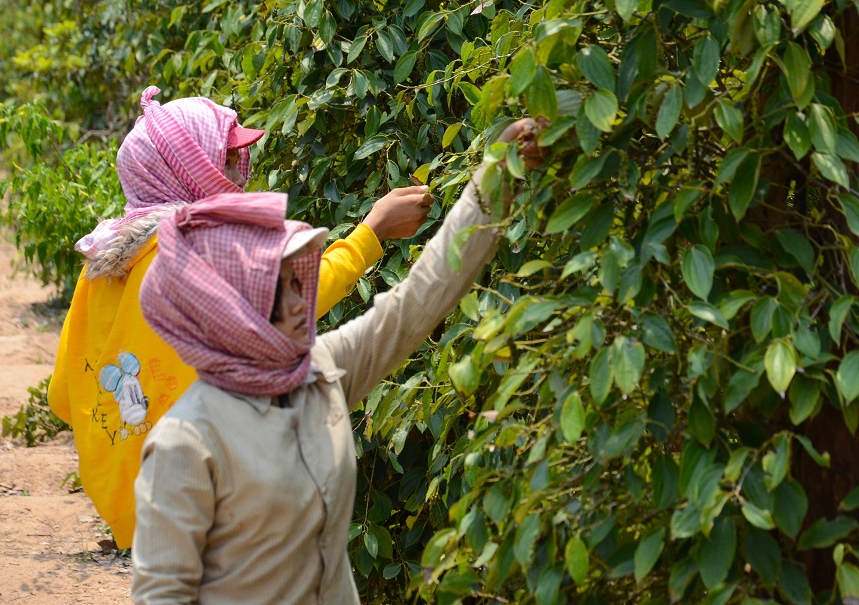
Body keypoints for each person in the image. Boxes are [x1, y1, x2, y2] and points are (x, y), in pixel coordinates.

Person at [130, 118, 538, 604]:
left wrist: (493, 182)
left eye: (298, 281)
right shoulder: (185, 444)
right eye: (281, 289)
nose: (303, 302)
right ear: (231, 314)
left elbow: (417, 301)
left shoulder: (319, 372)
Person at [46, 85, 432, 550]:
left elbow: (63, 395)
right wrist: (372, 231)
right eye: (223, 159)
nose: (236, 172)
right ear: (186, 170)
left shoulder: (105, 257)